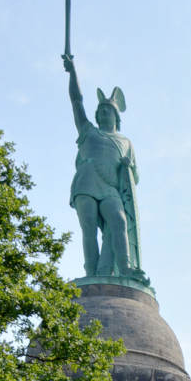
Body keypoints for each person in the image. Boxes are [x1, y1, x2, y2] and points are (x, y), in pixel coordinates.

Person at [63, 54, 144, 280]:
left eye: (106, 110)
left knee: (118, 220)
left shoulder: (126, 143)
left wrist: (128, 167)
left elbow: (134, 178)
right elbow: (76, 102)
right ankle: (91, 272)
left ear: (116, 116)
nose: (101, 113)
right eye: (99, 110)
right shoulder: (89, 131)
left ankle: (124, 267)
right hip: (86, 183)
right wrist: (73, 72)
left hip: (110, 188)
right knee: (88, 227)